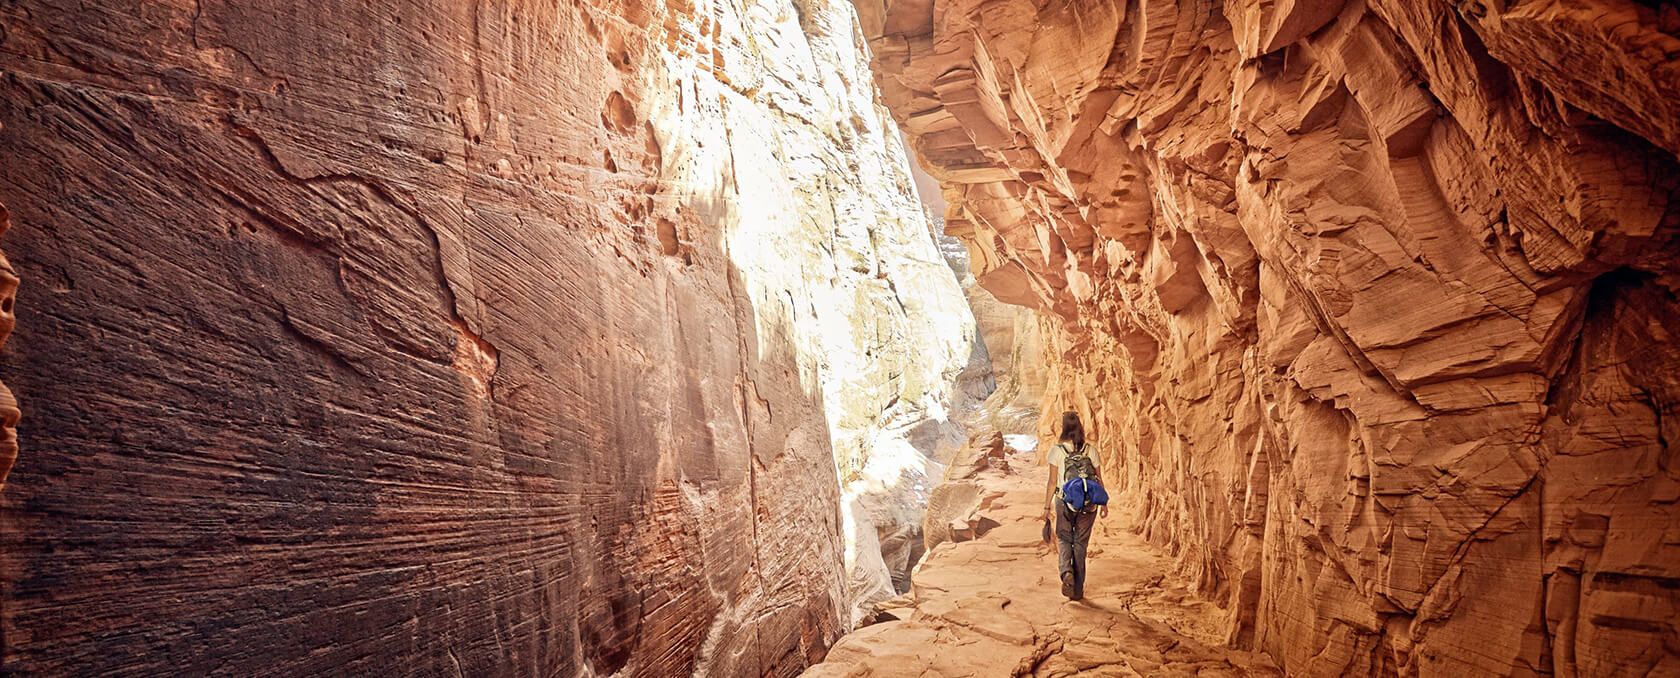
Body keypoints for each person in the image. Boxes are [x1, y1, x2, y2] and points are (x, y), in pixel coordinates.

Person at [1039, 411, 1107, 600]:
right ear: (1080, 427)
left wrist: (1046, 507)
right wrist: (1104, 503)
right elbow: (1099, 479)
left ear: (1063, 428)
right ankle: (1078, 589)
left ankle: (1066, 572)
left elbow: (1052, 482)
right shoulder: (1090, 450)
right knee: (1081, 544)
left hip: (1065, 501)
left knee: (1064, 538)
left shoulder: (1057, 451)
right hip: (1089, 503)